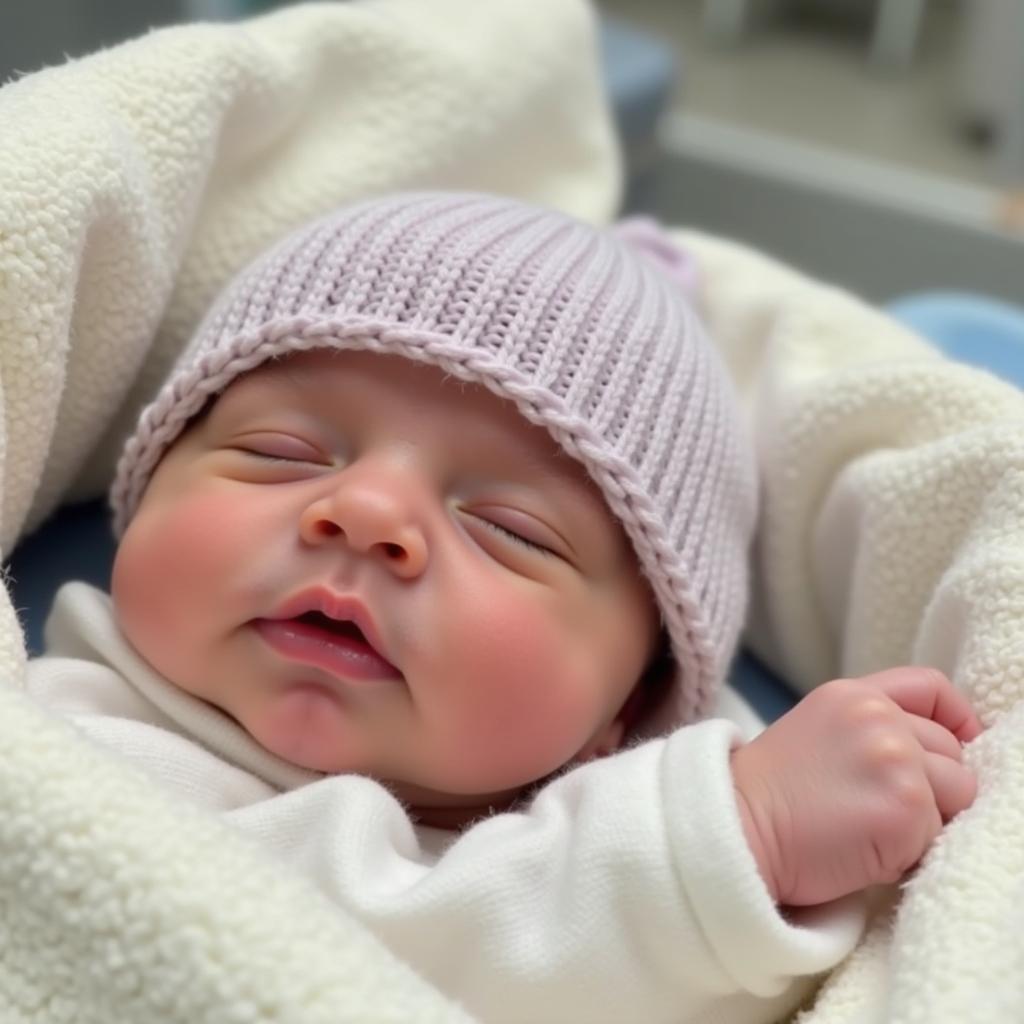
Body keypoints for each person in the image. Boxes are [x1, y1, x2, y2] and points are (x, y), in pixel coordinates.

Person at [26, 192, 981, 1023]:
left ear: (627, 711)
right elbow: (407, 943)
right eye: (282, 450)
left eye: (512, 529)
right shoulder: (66, 739)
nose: (364, 513)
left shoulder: (607, 837)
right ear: (143, 494)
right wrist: (739, 842)